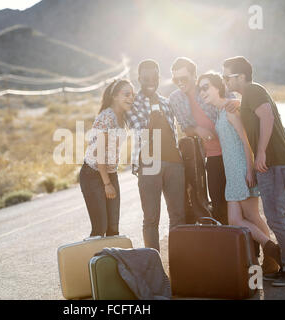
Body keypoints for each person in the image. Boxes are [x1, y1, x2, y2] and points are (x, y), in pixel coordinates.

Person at [223, 56, 285, 287]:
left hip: (273, 163)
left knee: (277, 217)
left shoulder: (253, 90)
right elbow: (260, 114)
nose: (225, 80)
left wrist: (261, 152)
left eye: (227, 76)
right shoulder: (250, 95)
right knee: (284, 215)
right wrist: (240, 105)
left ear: (241, 76)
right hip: (279, 162)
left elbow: (266, 117)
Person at [197, 72, 280, 275]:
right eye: (200, 89)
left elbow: (245, 141)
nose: (202, 92)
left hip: (242, 169)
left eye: (206, 87)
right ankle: (271, 249)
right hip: (232, 172)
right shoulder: (222, 110)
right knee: (235, 220)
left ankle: (272, 257)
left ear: (218, 86)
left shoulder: (231, 110)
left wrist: (250, 169)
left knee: (251, 215)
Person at [168, 57, 240, 225]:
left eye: (183, 78)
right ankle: (228, 245)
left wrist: (236, 102)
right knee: (217, 203)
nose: (180, 82)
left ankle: (250, 248)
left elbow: (232, 101)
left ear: (194, 75)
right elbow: (184, 127)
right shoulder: (175, 98)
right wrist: (197, 130)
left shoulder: (208, 87)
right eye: (175, 79)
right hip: (211, 156)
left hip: (232, 151)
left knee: (238, 200)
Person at [125, 59, 186, 252]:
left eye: (154, 77)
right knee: (151, 218)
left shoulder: (167, 103)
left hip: (174, 163)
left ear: (159, 78)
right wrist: (152, 114)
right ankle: (154, 266)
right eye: (145, 78)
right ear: (139, 79)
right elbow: (140, 131)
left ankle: (178, 263)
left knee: (178, 216)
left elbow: (176, 131)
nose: (150, 81)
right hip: (149, 163)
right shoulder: (132, 104)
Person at [79, 79, 134, 238]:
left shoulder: (123, 116)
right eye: (126, 94)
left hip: (111, 173)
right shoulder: (106, 117)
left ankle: (111, 262)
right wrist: (107, 183)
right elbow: (99, 154)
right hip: (93, 174)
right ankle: (92, 262)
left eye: (133, 95)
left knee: (113, 228)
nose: (131, 98)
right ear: (115, 96)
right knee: (100, 228)